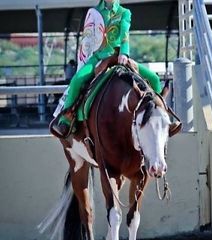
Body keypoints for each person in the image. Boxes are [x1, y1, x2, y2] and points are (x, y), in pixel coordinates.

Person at [54, 0, 163, 137]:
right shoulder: (94, 13)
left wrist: (124, 52)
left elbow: (124, 35)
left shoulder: (124, 13)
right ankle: (66, 120)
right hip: (98, 57)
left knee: (154, 78)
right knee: (77, 80)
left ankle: (161, 115)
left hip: (119, 56)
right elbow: (88, 39)